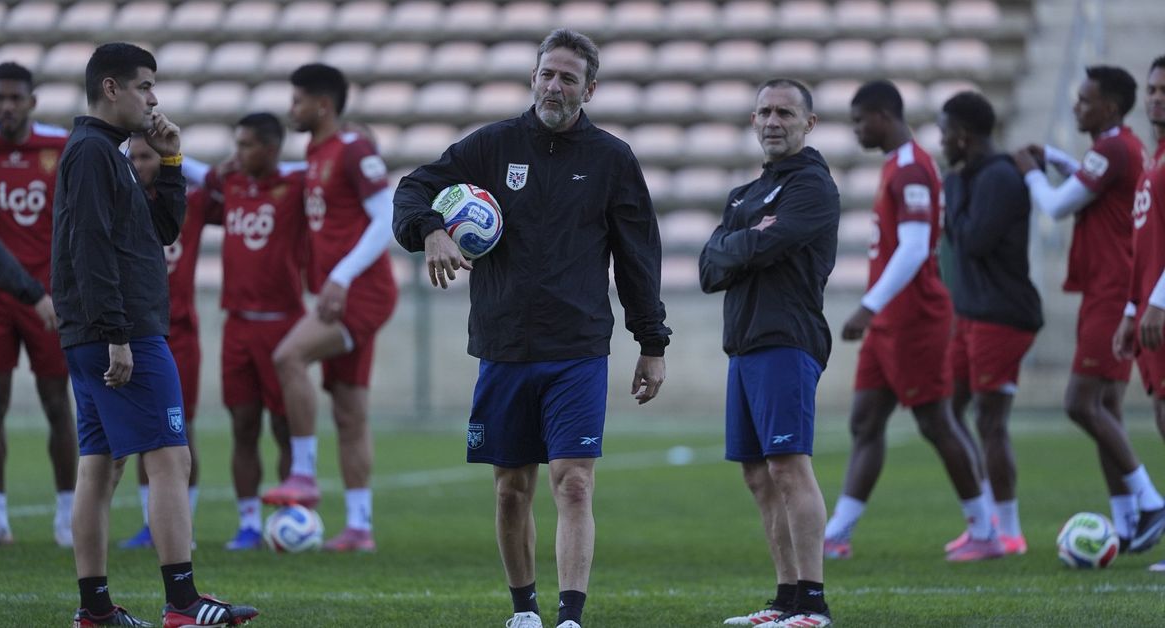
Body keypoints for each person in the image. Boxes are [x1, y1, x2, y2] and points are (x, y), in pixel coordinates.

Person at [393, 28, 670, 628]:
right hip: (505, 345)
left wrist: (652, 342)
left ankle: (570, 615)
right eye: (547, 73)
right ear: (534, 77)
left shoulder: (612, 159)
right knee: (510, 489)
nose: (554, 85)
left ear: (589, 89)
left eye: (568, 77)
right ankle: (526, 612)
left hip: (577, 349)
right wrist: (431, 230)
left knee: (572, 484)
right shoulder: (491, 146)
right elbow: (413, 188)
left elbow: (638, 256)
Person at [52, 42, 257, 627]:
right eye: (145, 85)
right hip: (123, 332)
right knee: (171, 458)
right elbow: (88, 245)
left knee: (101, 465)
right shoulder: (93, 153)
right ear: (111, 88)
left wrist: (170, 164)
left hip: (95, 330)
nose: (154, 97)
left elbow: (159, 231)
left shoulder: (103, 152)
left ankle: (94, 610)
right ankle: (184, 603)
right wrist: (117, 332)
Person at [823, 80, 998, 561]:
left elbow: (917, 247)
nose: (857, 130)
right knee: (865, 420)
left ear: (883, 115)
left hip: (914, 316)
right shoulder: (897, 167)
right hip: (889, 320)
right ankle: (837, 532)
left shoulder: (913, 170)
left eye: (860, 120)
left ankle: (985, 528)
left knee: (936, 421)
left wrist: (869, 305)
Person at [700, 78, 838, 628]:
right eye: (764, 112)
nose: (773, 121)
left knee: (788, 466)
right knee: (758, 475)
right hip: (745, 344)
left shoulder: (813, 187)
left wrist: (742, 244)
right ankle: (784, 599)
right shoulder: (744, 196)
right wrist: (745, 242)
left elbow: (766, 244)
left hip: (787, 338)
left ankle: (813, 602)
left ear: (809, 123)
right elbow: (709, 268)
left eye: (785, 112)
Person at [1014, 64, 1165, 554]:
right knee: (1107, 408)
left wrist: (1034, 173)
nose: (1076, 106)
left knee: (1080, 403)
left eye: (1084, 100)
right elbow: (1088, 178)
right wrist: (1056, 156)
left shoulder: (1114, 148)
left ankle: (1149, 501)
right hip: (1117, 291)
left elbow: (1057, 205)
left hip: (1114, 291)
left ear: (1110, 108)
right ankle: (1127, 523)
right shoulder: (1127, 149)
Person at [260, 63, 398, 553]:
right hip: (339, 293)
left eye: (297, 101)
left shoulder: (353, 148)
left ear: (321, 105)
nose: (291, 109)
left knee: (287, 357)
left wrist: (339, 276)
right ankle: (360, 528)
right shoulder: (318, 153)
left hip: (361, 292)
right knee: (349, 410)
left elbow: (388, 214)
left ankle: (302, 475)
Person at [0, 61, 76, 549]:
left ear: (31, 102)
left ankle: (67, 515)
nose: (6, 107)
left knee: (58, 404)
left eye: (15, 98)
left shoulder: (59, 146)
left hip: (48, 298)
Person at [939, 91, 1043, 557]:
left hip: (1003, 315)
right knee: (947, 409)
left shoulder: (998, 177)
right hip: (972, 313)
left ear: (963, 135)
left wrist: (954, 190)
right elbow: (957, 236)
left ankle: (1009, 531)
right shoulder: (972, 177)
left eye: (945, 133)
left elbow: (973, 242)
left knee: (990, 422)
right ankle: (983, 523)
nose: (941, 142)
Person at [204, 113, 305, 550]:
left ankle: (290, 516)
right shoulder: (230, 185)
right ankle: (247, 523)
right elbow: (190, 181)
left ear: (270, 148)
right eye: (236, 143)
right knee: (243, 426)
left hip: (283, 323)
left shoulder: (295, 186)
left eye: (246, 145)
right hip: (237, 326)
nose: (237, 153)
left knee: (284, 428)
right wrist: (214, 173)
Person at [118, 133, 209, 550]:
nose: (139, 164)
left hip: (179, 331)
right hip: (137, 329)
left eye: (147, 157)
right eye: (133, 157)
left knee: (179, 427)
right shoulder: (119, 200)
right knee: (141, 429)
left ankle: (182, 524)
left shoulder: (187, 200)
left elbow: (219, 183)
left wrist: (176, 155)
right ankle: (149, 523)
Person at [1112, 55, 1165, 570]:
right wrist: (1132, 310)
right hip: (1151, 316)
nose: (1156, 97)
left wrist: (1157, 301)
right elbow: (1144, 248)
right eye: (1152, 88)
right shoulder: (1155, 161)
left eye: (1164, 90)